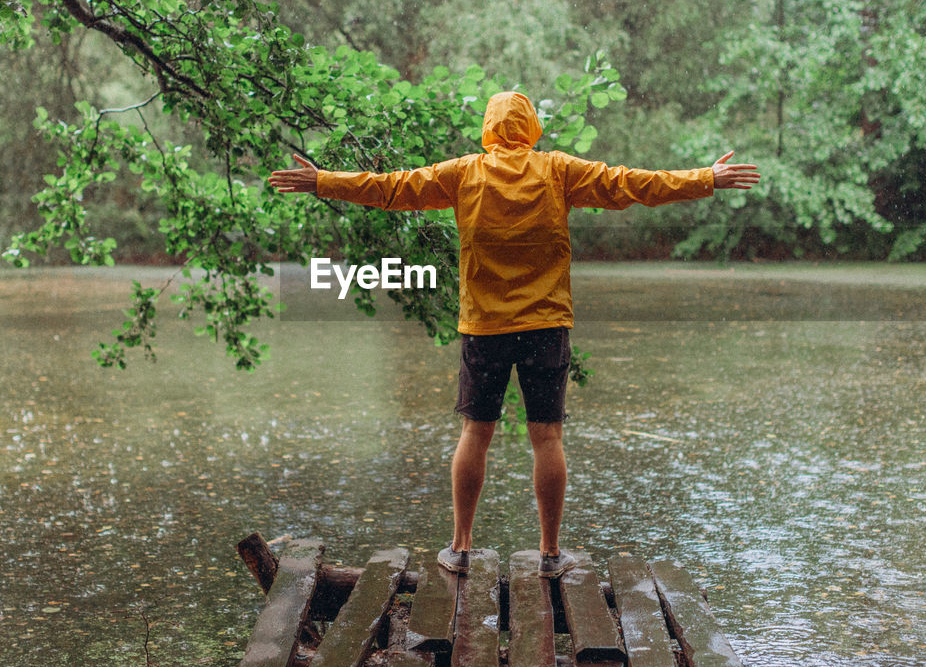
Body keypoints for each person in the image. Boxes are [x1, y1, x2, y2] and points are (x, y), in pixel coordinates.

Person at [268, 91, 759, 577]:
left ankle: (460, 548)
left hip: (484, 327)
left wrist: (322, 182)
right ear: (530, 128)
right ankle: (549, 553)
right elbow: (633, 185)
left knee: (475, 434)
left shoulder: (462, 174)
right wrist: (706, 179)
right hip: (546, 326)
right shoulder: (559, 171)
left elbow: (391, 189)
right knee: (547, 437)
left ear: (488, 127)